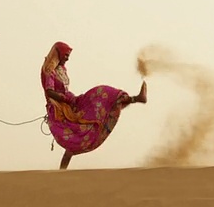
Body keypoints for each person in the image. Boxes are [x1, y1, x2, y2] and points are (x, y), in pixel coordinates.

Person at [41, 41, 147, 169]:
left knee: (102, 93)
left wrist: (69, 98)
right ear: (59, 53)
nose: (67, 58)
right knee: (72, 141)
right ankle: (61, 174)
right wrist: (64, 98)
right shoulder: (49, 70)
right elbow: (49, 91)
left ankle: (135, 98)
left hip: (71, 102)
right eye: (66, 55)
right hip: (60, 110)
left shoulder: (61, 68)